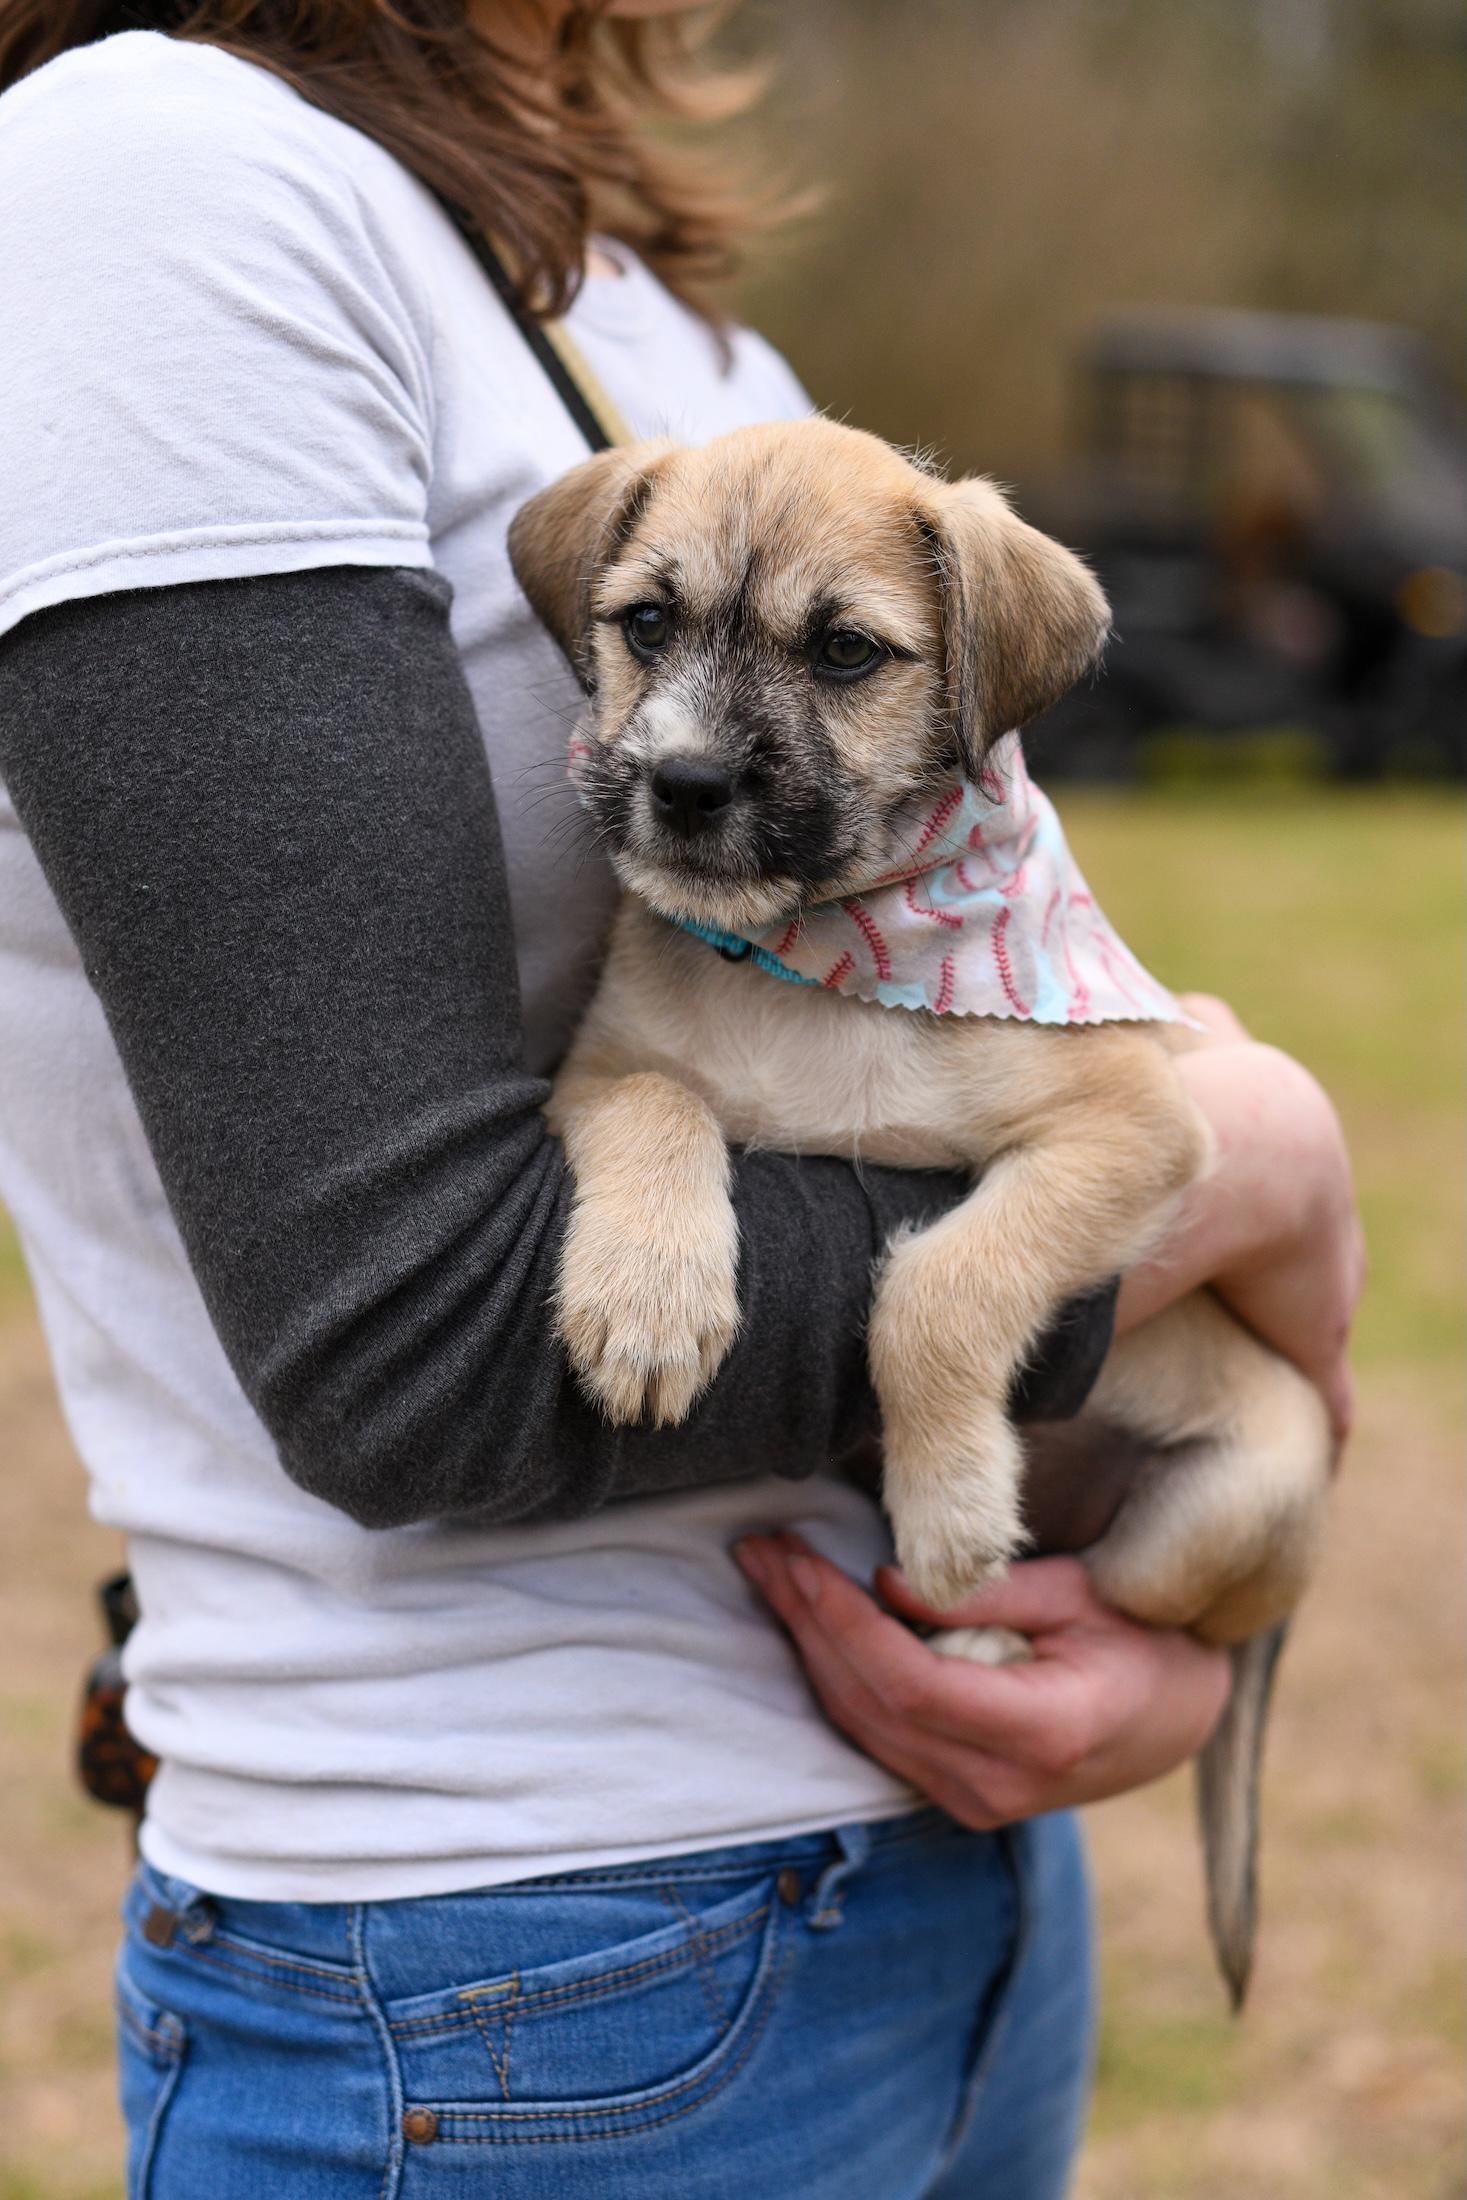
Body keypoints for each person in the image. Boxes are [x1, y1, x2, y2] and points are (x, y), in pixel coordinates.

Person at [0, 5, 1363, 2194]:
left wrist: (1156, 1654)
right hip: (521, 1955)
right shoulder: (154, 184)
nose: (694, 740)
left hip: (946, 1878)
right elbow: (414, 1347)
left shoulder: (650, 290)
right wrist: (1256, 1154)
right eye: (644, 640)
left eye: (831, 658)